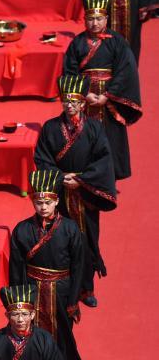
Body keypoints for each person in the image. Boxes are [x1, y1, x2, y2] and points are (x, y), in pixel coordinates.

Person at [34, 74, 116, 309]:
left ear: (82, 104)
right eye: (65, 101)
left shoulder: (94, 128)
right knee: (60, 243)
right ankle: (65, 292)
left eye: (74, 101)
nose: (69, 105)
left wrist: (81, 180)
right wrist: (60, 178)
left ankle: (86, 288)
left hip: (85, 194)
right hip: (58, 196)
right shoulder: (50, 128)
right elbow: (42, 158)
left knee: (87, 242)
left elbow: (103, 159)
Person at [10, 170, 89, 360]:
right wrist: (18, 300)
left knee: (63, 331)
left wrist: (74, 300)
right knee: (30, 331)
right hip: (33, 289)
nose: (43, 207)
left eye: (48, 202)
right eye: (38, 202)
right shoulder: (21, 230)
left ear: (56, 201)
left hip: (61, 290)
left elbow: (78, 267)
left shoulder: (71, 229)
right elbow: (16, 269)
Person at [63, 0, 142, 180]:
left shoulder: (117, 42)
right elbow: (69, 71)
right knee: (82, 134)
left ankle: (111, 174)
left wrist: (109, 94)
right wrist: (84, 94)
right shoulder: (77, 43)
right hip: (85, 99)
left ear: (106, 18)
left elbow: (125, 70)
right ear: (84, 20)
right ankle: (84, 173)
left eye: (99, 18)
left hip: (109, 100)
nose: (95, 23)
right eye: (90, 19)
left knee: (111, 135)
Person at [85, 0, 158, 62]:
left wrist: (144, 4)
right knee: (105, 35)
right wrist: (96, 1)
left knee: (132, 37)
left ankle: (129, 70)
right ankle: (106, 68)